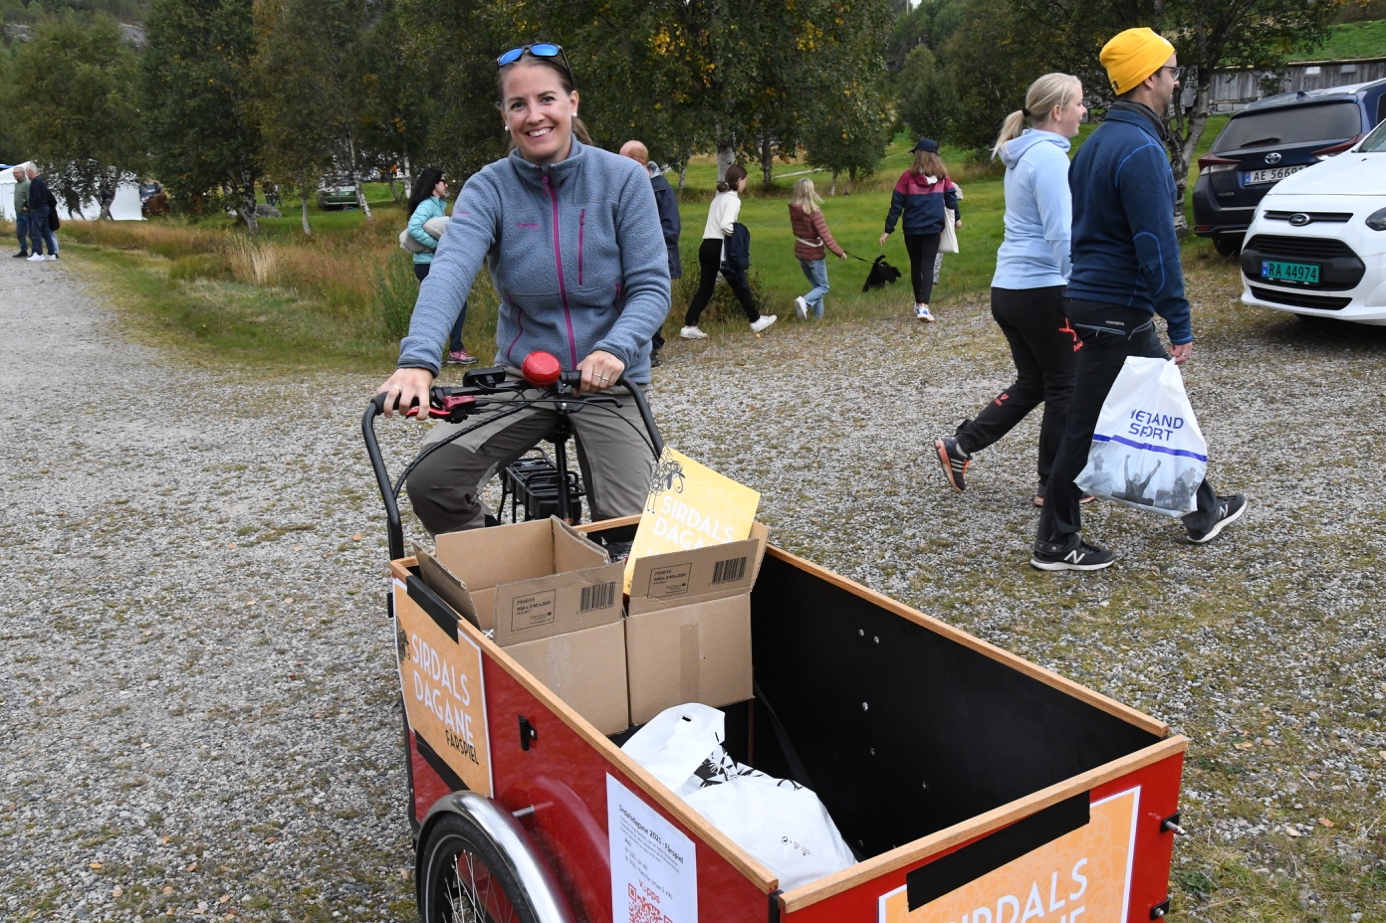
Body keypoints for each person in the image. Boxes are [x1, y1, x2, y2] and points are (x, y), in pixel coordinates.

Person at [377, 42, 669, 535]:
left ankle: (604, 574)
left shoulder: (622, 179)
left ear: (571, 102)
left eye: (546, 99)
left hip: (609, 379)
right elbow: (449, 271)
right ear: (505, 116)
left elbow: (651, 286)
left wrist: (615, 349)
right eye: (518, 104)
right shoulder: (488, 187)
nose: (534, 116)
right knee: (432, 481)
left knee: (633, 531)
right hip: (525, 377)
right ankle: (507, 562)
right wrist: (418, 360)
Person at [1030, 27, 1246, 572]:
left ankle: (1203, 511)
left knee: (1163, 409)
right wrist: (1180, 318)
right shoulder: (1141, 149)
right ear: (1149, 78)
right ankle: (1055, 542)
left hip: (1097, 302)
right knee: (1084, 428)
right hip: (1115, 310)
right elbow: (1156, 244)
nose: (1175, 80)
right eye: (1171, 71)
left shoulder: (1095, 145)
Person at [935, 73, 1092, 508]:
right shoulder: (1049, 159)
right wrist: (1079, 288)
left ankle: (962, 445)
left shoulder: (1024, 154)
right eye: (1079, 103)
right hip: (1042, 290)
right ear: (1057, 111)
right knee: (1066, 385)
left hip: (1009, 289)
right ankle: (1054, 485)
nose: (1084, 111)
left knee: (1036, 381)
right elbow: (1060, 233)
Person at [680, 164, 776, 338]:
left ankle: (689, 325)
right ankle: (755, 320)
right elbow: (726, 224)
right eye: (745, 180)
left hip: (706, 245)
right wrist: (739, 234)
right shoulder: (733, 200)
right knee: (739, 282)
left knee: (706, 287)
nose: (746, 184)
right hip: (720, 247)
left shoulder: (718, 198)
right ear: (739, 180)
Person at [879, 139, 959, 322]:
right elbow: (951, 199)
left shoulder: (907, 177)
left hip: (912, 229)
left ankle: (918, 304)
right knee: (927, 266)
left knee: (916, 266)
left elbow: (896, 204)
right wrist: (957, 219)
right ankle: (924, 307)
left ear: (918, 156)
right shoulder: (943, 177)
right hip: (933, 228)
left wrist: (888, 229)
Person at [620, 140, 680, 366]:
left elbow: (671, 228)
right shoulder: (625, 186)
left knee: (650, 298)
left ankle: (652, 349)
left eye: (622, 158)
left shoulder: (661, 188)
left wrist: (645, 245)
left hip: (658, 257)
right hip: (626, 258)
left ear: (636, 161)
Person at [406, 168, 475, 365]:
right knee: (456, 303)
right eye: (443, 181)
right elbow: (414, 227)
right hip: (429, 263)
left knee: (438, 306)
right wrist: (437, 245)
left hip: (429, 264)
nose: (446, 185)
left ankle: (429, 352)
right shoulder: (428, 204)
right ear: (434, 184)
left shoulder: (436, 205)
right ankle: (455, 350)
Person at [787, 177, 846, 320]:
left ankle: (817, 317)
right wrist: (840, 253)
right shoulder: (814, 212)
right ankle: (804, 301)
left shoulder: (794, 210)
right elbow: (826, 236)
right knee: (823, 287)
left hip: (801, 252)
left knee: (817, 286)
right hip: (813, 253)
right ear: (811, 192)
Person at [25, 165, 57, 261]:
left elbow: (36, 196)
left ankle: (38, 253)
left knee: (36, 231)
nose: (27, 174)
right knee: (46, 231)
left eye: (27, 172)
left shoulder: (35, 182)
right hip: (45, 208)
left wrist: (32, 207)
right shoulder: (42, 181)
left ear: (31, 171)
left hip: (38, 209)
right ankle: (51, 252)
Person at [12, 166, 30, 258]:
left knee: (31, 233)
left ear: (22, 173)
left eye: (16, 173)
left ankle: (36, 251)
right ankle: (23, 250)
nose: (14, 175)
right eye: (13, 173)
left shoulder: (27, 184)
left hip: (26, 213)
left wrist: (27, 207)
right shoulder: (17, 185)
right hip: (19, 212)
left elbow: (29, 197)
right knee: (20, 233)